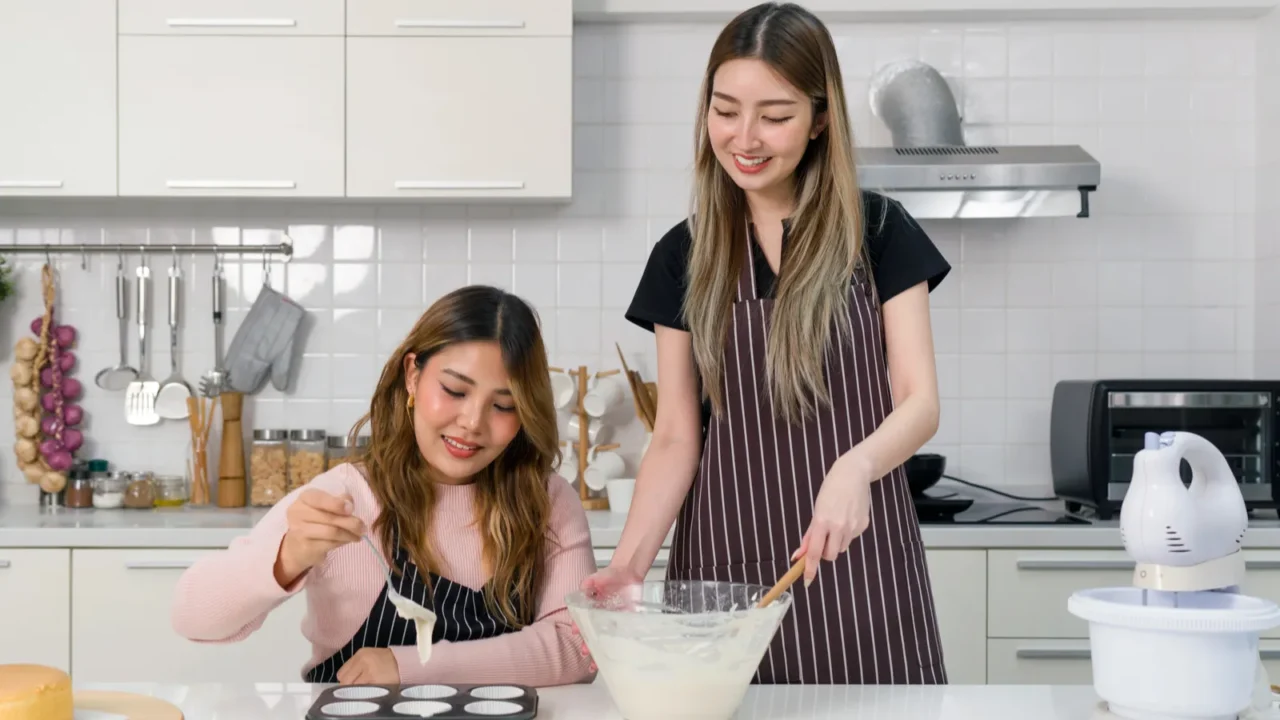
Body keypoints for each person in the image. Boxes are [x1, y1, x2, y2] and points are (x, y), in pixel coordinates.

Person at [583, 2, 952, 685]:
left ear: (819, 119)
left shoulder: (879, 233)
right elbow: (674, 436)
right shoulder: (683, 256)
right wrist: (631, 565)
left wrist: (857, 467)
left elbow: (918, 401)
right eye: (725, 110)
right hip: (724, 584)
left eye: (774, 115)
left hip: (859, 564)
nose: (745, 137)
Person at [171, 285, 598, 687]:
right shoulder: (350, 496)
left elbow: (578, 648)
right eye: (454, 390)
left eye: (504, 405)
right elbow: (192, 616)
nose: (472, 422)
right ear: (413, 375)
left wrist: (408, 666)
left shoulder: (548, 500)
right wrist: (286, 558)